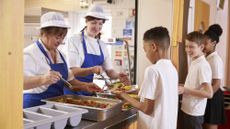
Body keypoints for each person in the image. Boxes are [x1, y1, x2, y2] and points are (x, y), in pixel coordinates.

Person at [23, 12, 102, 108]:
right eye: (57, 37)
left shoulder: (61, 55)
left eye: (62, 37)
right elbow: (20, 83)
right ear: (44, 33)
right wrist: (43, 79)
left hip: (55, 106)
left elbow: (70, 82)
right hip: (34, 107)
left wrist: (85, 86)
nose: (60, 41)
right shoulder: (30, 53)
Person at [113, 27, 178, 129]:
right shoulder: (172, 68)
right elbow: (157, 94)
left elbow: (147, 108)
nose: (146, 55)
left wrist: (123, 95)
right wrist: (129, 90)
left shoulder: (152, 70)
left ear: (153, 47)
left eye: (145, 50)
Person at [64, 4, 129, 95]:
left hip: (89, 89)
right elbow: (73, 71)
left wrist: (119, 75)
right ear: (86, 22)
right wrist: (91, 70)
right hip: (73, 90)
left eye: (100, 23)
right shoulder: (74, 40)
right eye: (93, 22)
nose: (97, 26)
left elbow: (110, 71)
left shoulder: (102, 45)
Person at [178, 31, 213, 129]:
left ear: (201, 47)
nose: (188, 50)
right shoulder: (194, 61)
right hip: (187, 108)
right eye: (186, 46)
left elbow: (209, 93)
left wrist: (185, 90)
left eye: (191, 47)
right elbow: (194, 84)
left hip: (194, 113)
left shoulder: (203, 65)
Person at [203, 24, 226, 129]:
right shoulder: (206, 57)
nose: (202, 46)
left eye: (205, 43)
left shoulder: (215, 60)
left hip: (213, 96)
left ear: (214, 43)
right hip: (208, 95)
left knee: (210, 126)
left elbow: (217, 83)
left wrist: (207, 95)